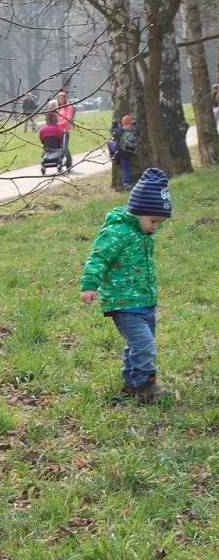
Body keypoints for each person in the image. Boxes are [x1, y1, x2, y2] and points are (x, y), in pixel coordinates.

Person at [80, 168, 173, 404]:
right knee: (145, 346)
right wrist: (90, 285)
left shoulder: (143, 234)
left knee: (137, 345)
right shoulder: (116, 231)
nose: (155, 227)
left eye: (160, 223)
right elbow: (98, 257)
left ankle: (131, 385)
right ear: (138, 211)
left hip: (145, 303)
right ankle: (146, 387)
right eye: (153, 221)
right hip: (124, 304)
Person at [108, 115, 138, 190]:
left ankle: (113, 157)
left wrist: (114, 125)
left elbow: (114, 133)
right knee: (125, 166)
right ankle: (126, 183)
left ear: (123, 123)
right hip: (131, 152)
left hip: (121, 151)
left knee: (110, 142)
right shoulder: (135, 129)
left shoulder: (121, 130)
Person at [38, 104, 64, 172]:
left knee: (43, 150)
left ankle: (44, 165)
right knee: (61, 147)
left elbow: (42, 140)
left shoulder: (42, 130)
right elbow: (60, 139)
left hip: (47, 148)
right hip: (56, 148)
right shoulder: (58, 130)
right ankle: (59, 163)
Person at [55, 90, 75, 170]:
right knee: (58, 148)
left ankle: (69, 160)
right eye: (60, 99)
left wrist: (59, 124)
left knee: (64, 148)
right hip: (57, 132)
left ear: (65, 99)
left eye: (62, 98)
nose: (61, 100)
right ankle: (59, 162)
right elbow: (54, 119)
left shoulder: (68, 107)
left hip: (65, 131)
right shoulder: (58, 109)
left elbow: (68, 118)